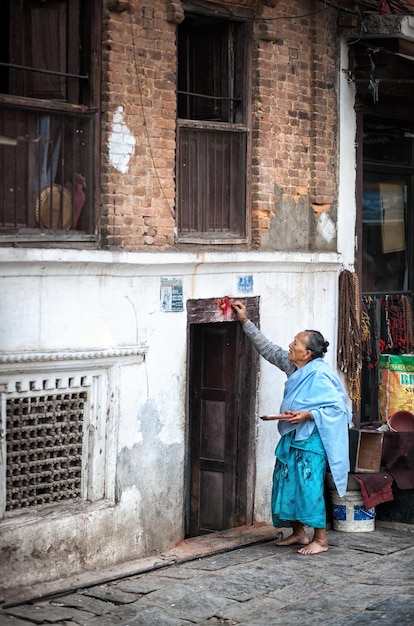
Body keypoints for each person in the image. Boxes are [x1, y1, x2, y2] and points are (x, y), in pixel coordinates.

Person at [232, 301, 352, 555]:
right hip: (292, 436)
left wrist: (308, 414)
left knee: (309, 486)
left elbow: (338, 409)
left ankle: (320, 539)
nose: (290, 345)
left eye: (296, 343)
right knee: (284, 482)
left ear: (307, 353)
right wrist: (245, 321)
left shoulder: (320, 375)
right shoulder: (293, 366)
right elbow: (268, 349)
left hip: (312, 439)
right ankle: (298, 533)